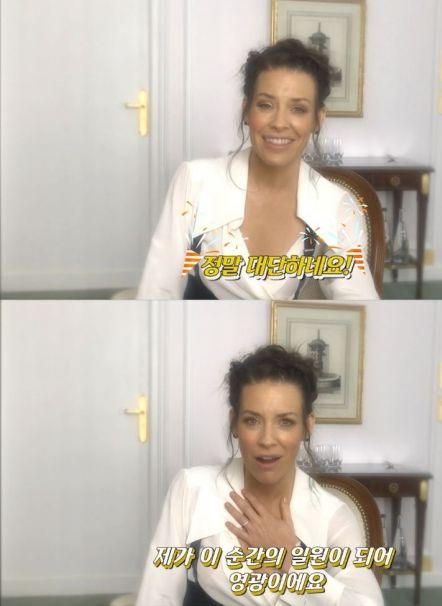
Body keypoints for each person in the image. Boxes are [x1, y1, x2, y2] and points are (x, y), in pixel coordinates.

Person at [135, 344, 384, 605]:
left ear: (307, 426)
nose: (267, 440)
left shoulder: (332, 516)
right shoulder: (192, 489)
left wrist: (291, 559)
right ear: (234, 422)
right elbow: (156, 597)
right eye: (252, 420)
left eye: (285, 422)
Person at [137, 39, 378, 301]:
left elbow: (358, 300)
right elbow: (157, 291)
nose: (279, 123)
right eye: (265, 105)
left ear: (317, 120)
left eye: (298, 109)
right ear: (246, 112)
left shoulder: (336, 204)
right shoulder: (195, 182)